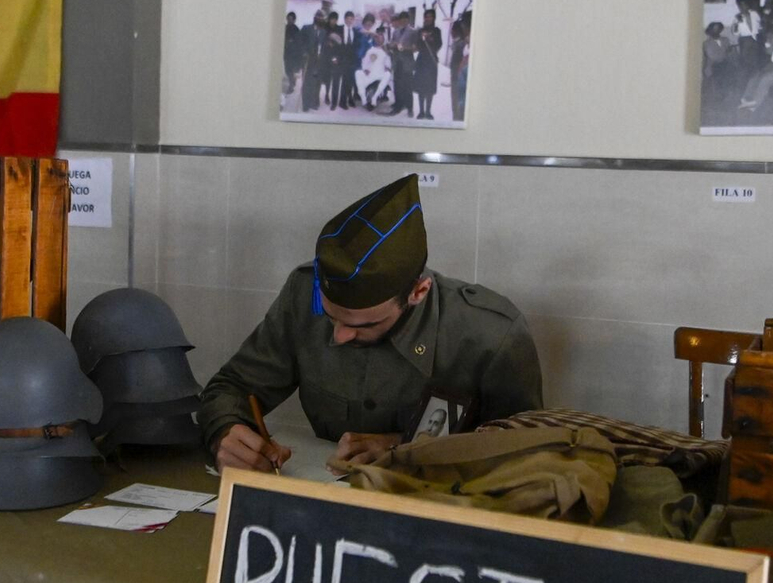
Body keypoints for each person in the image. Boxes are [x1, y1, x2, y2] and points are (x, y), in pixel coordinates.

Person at [201, 174, 544, 473]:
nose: (340, 335)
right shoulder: (304, 293)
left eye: (363, 325)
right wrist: (225, 434)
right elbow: (230, 388)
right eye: (331, 315)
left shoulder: (491, 333)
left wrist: (407, 451)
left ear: (418, 292)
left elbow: (528, 449)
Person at [415, 9, 442, 120]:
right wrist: (422, 39)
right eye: (426, 16)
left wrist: (430, 39)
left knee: (430, 87)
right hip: (421, 60)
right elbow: (417, 45)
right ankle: (421, 111)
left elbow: (439, 44)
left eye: (430, 16)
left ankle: (428, 112)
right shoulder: (420, 30)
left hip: (431, 61)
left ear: (434, 18)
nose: (428, 18)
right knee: (421, 86)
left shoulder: (437, 31)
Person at [356, 28, 393, 109]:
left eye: (381, 38)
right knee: (358, 73)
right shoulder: (370, 50)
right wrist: (365, 69)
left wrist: (387, 67)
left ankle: (375, 97)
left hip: (380, 73)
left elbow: (388, 63)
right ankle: (364, 99)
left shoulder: (385, 51)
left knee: (388, 74)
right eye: (377, 38)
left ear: (383, 39)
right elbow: (364, 62)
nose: (378, 40)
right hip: (370, 74)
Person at [389, 11, 417, 116]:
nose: (403, 21)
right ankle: (397, 106)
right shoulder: (396, 32)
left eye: (406, 19)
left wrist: (404, 48)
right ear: (399, 20)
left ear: (408, 20)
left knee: (408, 86)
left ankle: (410, 108)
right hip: (397, 63)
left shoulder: (413, 32)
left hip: (407, 63)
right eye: (402, 19)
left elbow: (415, 48)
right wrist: (393, 45)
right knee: (397, 86)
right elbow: (391, 43)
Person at [299, 10, 327, 112]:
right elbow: (300, 42)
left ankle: (314, 102)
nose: (320, 19)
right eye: (318, 17)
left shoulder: (324, 32)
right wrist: (304, 52)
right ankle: (305, 105)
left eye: (322, 18)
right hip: (308, 60)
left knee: (316, 83)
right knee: (307, 83)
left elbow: (324, 47)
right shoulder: (306, 28)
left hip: (319, 61)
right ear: (315, 18)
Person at [731, 0, 764, 78]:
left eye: (744, 4)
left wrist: (760, 35)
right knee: (745, 63)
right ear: (738, 6)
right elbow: (735, 33)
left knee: (756, 61)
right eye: (740, 5)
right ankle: (746, 80)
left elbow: (760, 26)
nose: (743, 7)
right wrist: (736, 23)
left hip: (756, 39)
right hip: (745, 41)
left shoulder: (754, 14)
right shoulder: (737, 17)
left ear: (748, 5)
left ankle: (755, 79)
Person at [448, 18, 470, 122]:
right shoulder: (457, 43)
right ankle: (455, 117)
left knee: (457, 99)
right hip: (455, 74)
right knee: (455, 99)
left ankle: (457, 119)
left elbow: (460, 60)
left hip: (459, 75)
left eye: (453, 30)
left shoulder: (461, 44)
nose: (451, 32)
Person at [281, 11, 302, 96]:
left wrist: (291, 43)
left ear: (294, 20)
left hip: (293, 55)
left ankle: (291, 86)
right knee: (287, 70)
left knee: (290, 70)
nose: (289, 20)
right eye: (288, 19)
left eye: (291, 19)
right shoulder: (284, 28)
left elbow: (298, 43)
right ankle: (292, 81)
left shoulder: (296, 30)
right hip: (286, 53)